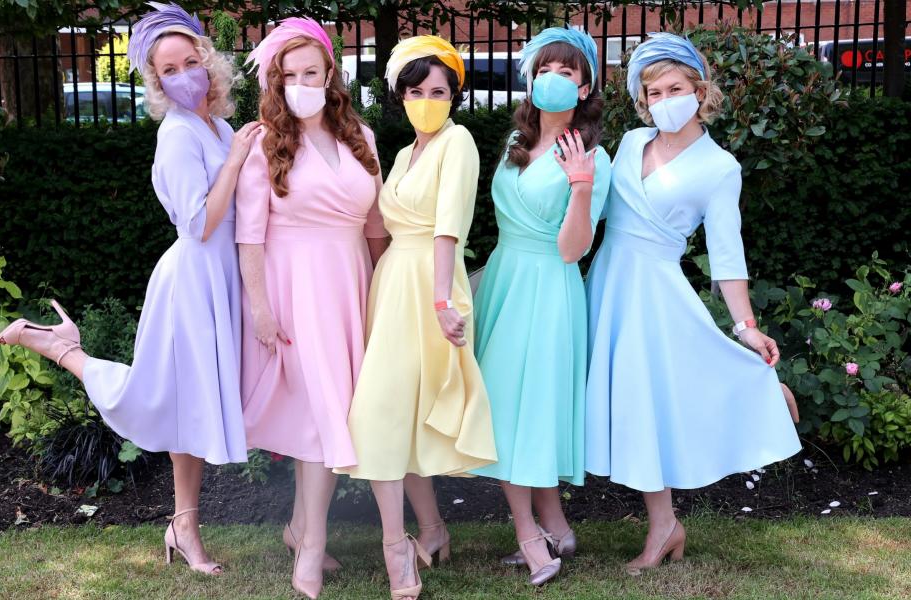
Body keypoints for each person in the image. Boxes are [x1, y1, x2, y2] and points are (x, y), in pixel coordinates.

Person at [0, 1, 260, 575]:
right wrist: (238, 159)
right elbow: (200, 223)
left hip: (223, 280)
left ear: (207, 62)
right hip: (193, 280)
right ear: (157, 81)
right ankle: (64, 349)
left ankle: (182, 524)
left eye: (191, 61)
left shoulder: (216, 125)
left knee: (188, 407)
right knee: (160, 400)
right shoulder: (177, 135)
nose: (184, 74)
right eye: (170, 69)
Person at [583, 32, 802, 574]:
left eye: (674, 88)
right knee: (630, 405)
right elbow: (588, 209)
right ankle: (665, 525)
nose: (663, 101)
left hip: (656, 295)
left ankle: (759, 393)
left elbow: (727, 255)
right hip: (608, 283)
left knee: (649, 402)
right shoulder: (631, 143)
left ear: (700, 90)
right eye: (652, 93)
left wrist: (746, 325)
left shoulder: (719, 166)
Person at [334, 35, 497, 600]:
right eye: (416, 90)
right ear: (400, 95)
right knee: (394, 414)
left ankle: (398, 546)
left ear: (454, 95)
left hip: (430, 283)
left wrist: (440, 301)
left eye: (439, 90)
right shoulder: (404, 154)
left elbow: (449, 223)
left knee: (388, 411)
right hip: (392, 286)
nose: (427, 98)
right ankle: (428, 530)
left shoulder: (460, 141)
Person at [235, 17, 387, 599]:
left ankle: (300, 530)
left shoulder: (362, 138)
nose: (301, 82)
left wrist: (381, 291)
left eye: (310, 72)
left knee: (333, 412)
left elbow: (375, 227)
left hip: (351, 283)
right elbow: (249, 234)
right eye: (289, 74)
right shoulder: (264, 143)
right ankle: (313, 547)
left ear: (330, 74)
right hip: (294, 286)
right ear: (277, 81)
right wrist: (260, 307)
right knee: (322, 416)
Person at [469, 26, 611, 587]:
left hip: (550, 286)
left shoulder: (593, 155)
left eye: (567, 73)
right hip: (507, 278)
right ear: (530, 80)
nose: (553, 80)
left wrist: (580, 187)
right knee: (509, 403)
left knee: (523, 406)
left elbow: (574, 249)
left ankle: (529, 531)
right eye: (545, 70)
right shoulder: (513, 145)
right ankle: (556, 526)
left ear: (584, 88)